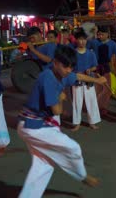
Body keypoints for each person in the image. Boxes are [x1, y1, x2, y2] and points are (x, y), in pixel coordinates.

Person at [17, 45, 105, 197]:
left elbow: (77, 76)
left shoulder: (63, 74)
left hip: (32, 125)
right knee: (73, 148)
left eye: (71, 67)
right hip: (33, 126)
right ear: (56, 62)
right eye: (66, 67)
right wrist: (61, 98)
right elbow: (57, 111)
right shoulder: (48, 78)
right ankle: (82, 176)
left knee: (43, 166)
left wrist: (97, 80)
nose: (69, 70)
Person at [71, 30, 101, 131]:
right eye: (80, 39)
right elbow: (70, 67)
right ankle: (77, 123)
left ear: (86, 40)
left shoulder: (90, 53)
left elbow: (95, 66)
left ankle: (92, 122)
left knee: (91, 100)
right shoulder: (73, 53)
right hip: (77, 80)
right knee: (77, 102)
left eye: (84, 39)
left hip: (89, 80)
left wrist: (90, 70)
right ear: (76, 40)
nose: (82, 41)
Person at [94, 26, 116, 114]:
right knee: (97, 88)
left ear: (107, 34)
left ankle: (103, 106)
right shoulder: (94, 42)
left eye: (102, 34)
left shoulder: (112, 44)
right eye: (99, 34)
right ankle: (95, 106)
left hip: (106, 67)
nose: (100, 36)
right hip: (96, 67)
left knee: (106, 88)